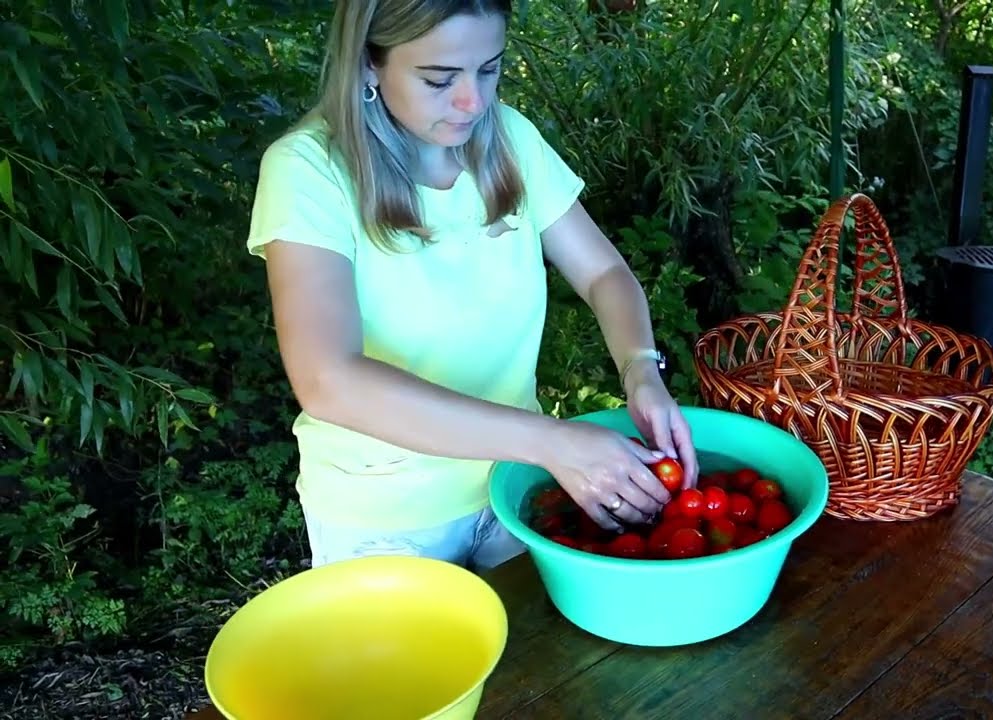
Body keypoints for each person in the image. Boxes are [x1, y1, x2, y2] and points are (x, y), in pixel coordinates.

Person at [245, 0, 698, 572]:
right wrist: (552, 442)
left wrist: (640, 372)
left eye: (490, 69)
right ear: (367, 63)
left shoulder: (509, 140)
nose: (474, 102)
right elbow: (328, 380)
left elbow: (604, 273)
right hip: (387, 516)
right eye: (439, 79)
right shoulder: (308, 171)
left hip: (512, 485)